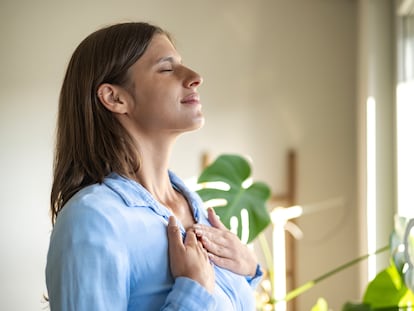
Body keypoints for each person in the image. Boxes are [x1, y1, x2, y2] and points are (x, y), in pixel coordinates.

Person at [45, 22, 262, 311]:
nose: (195, 77)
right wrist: (191, 293)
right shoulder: (92, 220)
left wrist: (248, 272)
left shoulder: (195, 206)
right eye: (167, 69)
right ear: (115, 98)